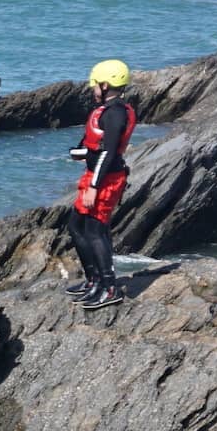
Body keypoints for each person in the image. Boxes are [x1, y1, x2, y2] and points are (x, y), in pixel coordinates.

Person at [67, 59, 139, 309]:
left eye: (95, 86)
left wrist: (94, 186)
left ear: (105, 85)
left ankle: (110, 289)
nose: (93, 90)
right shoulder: (107, 110)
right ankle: (93, 280)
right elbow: (91, 147)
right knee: (76, 226)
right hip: (96, 175)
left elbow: (108, 153)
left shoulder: (116, 113)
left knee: (95, 231)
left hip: (105, 180)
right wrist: (78, 153)